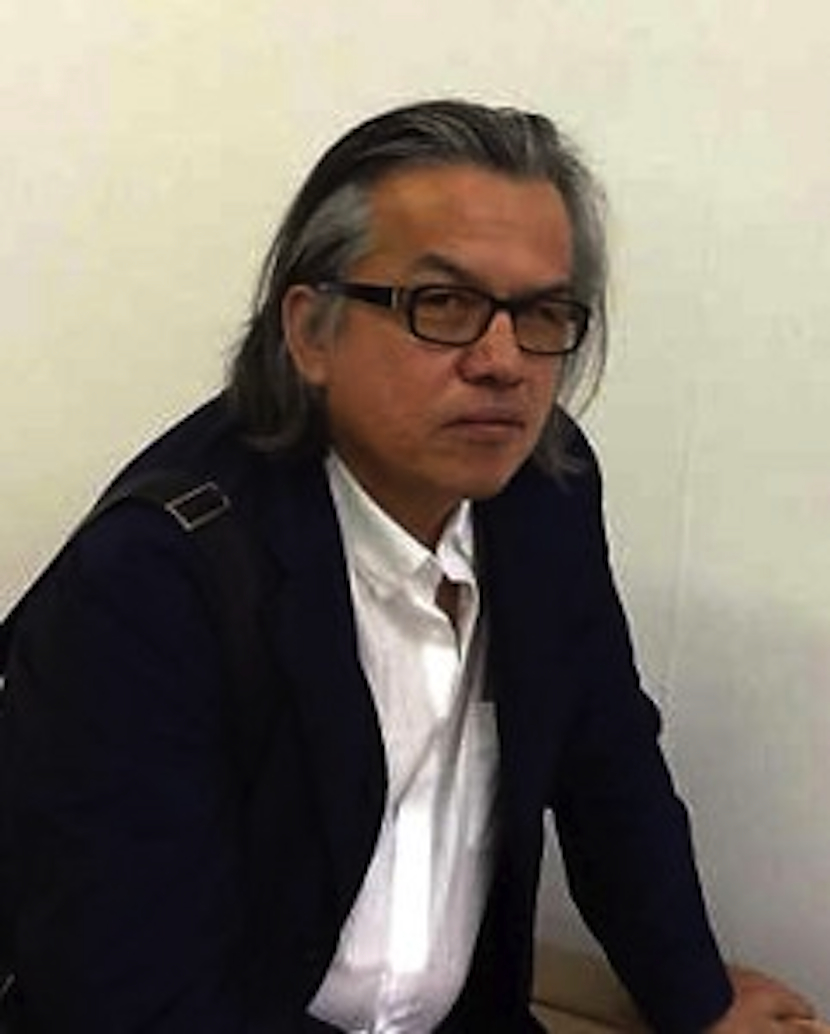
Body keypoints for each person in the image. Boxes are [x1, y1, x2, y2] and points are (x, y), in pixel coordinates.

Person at [2, 99, 817, 1033]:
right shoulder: (153, 578)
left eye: (541, 313)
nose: (503, 361)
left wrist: (698, 1001)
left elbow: (607, 760)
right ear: (311, 332)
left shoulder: (544, 491)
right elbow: (127, 992)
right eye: (445, 306)